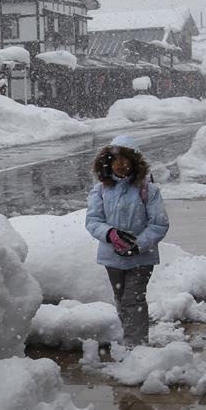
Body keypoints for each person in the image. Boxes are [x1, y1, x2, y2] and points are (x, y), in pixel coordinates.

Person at [85, 135, 170, 347]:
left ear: (134, 162)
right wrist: (110, 234)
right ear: (108, 163)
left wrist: (138, 244)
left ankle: (136, 346)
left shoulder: (147, 189)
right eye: (115, 160)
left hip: (141, 258)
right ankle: (130, 337)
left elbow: (159, 224)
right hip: (111, 257)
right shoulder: (101, 190)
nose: (120, 164)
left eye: (125, 159)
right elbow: (93, 221)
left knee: (134, 300)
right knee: (122, 300)